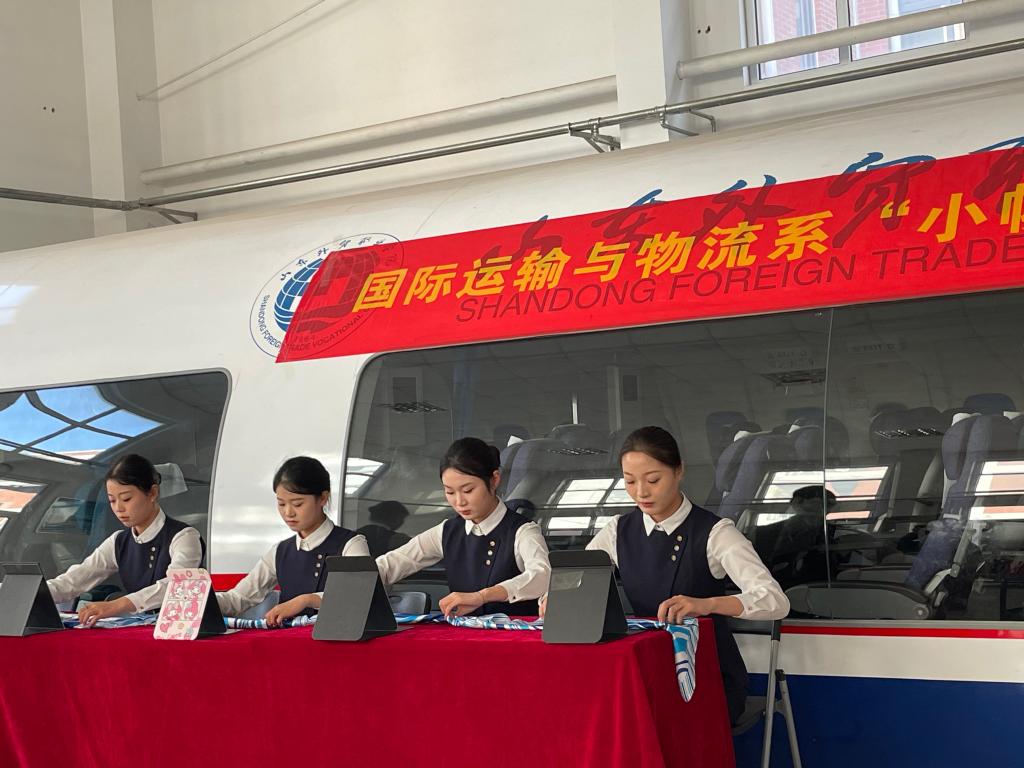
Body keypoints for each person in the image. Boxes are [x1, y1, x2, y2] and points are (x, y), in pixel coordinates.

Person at [571, 426, 788, 724]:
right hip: (643, 671)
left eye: (653, 480)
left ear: (679, 471)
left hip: (707, 675)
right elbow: (576, 581)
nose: (641, 492)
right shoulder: (617, 531)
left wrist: (707, 605)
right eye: (630, 481)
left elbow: (775, 600)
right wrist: (557, 598)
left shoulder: (715, 532)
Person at [376, 437, 550, 617]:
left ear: (494, 480)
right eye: (450, 492)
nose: (459, 501)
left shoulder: (522, 531)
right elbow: (394, 563)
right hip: (461, 633)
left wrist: (482, 596)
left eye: (468, 490)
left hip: (513, 633)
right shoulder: (447, 531)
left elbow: (542, 575)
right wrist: (362, 576)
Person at [47, 454, 204, 626]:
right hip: (140, 629)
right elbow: (74, 580)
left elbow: (177, 586)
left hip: (179, 628)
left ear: (152, 493)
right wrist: (34, 591)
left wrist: (116, 605)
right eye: (112, 500)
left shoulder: (184, 536)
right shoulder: (118, 541)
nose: (118, 508)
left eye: (126, 499)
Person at [216, 456, 368, 626]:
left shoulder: (351, 544)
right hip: (289, 640)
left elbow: (357, 593)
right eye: (281, 504)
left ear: (323, 498)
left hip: (335, 639)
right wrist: (201, 602)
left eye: (297, 504)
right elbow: (239, 598)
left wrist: (307, 600)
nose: (288, 513)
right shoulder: (280, 551)